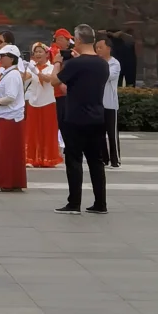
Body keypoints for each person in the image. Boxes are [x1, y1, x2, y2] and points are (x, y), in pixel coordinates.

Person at [55, 24, 108, 214]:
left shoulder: (75, 64)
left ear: (77, 40)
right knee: (96, 161)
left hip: (76, 117)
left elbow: (56, 81)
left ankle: (74, 202)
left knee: (74, 160)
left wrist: (57, 62)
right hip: (97, 117)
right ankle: (100, 203)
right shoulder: (102, 63)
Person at [0, 45, 27, 193]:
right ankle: (10, 180)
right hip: (5, 116)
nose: (0, 59)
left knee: (6, 152)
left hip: (10, 116)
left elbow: (10, 96)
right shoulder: (6, 73)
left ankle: (1, 181)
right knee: (8, 151)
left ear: (12, 58)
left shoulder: (13, 75)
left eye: (3, 56)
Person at [24, 41, 62, 169]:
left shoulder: (51, 68)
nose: (37, 54)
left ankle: (48, 158)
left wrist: (37, 72)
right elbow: (25, 78)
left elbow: (50, 80)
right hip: (34, 102)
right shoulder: (32, 67)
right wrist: (21, 69)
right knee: (32, 131)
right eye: (35, 52)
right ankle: (31, 158)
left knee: (47, 131)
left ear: (47, 54)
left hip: (48, 102)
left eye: (40, 51)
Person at [95, 32, 121, 167]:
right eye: (96, 48)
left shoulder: (114, 63)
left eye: (100, 47)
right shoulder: (96, 63)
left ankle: (115, 159)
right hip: (97, 103)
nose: (98, 50)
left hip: (110, 104)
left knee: (111, 133)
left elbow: (108, 76)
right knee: (99, 133)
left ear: (108, 48)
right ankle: (103, 159)